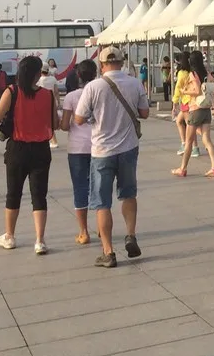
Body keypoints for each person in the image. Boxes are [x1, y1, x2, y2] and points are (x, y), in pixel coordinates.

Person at [74, 46, 149, 268]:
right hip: (128, 148)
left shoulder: (93, 86)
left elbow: (78, 119)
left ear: (102, 64)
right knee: (128, 194)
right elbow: (144, 113)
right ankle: (130, 235)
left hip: (102, 151)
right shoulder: (135, 83)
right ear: (122, 62)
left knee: (101, 202)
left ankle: (108, 251)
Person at [0, 56, 59, 254]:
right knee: (39, 195)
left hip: (17, 150)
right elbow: (54, 124)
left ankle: (9, 236)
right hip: (41, 150)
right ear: (38, 74)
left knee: (13, 193)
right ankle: (39, 240)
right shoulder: (47, 95)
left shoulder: (12, 91)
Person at [61, 60, 98, 245]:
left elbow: (65, 125)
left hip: (77, 149)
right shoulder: (101, 92)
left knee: (80, 187)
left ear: (78, 76)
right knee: (99, 186)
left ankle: (83, 232)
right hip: (99, 146)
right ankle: (102, 225)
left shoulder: (71, 97)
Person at [172, 51, 214, 178]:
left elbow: (197, 91)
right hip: (206, 109)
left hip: (195, 109)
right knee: (207, 139)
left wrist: (185, 91)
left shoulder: (193, 74)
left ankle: (183, 168)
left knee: (188, 141)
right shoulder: (207, 74)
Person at [172, 53, 199, 157]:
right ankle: (186, 144)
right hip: (191, 100)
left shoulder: (182, 73)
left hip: (186, 100)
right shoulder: (193, 72)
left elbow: (178, 88)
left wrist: (174, 102)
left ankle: (193, 147)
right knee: (182, 122)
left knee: (190, 125)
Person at [38, 64, 61, 150]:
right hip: (52, 101)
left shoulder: (39, 80)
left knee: (46, 123)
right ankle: (50, 140)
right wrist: (58, 102)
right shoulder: (53, 79)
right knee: (49, 122)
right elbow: (56, 91)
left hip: (42, 103)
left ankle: (53, 141)